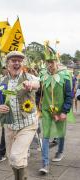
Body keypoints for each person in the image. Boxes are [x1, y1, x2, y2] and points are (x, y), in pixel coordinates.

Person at [0, 51, 40, 180]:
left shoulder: (29, 77)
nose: (17, 63)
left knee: (16, 156)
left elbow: (37, 84)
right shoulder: (1, 81)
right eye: (14, 61)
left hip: (27, 124)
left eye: (19, 60)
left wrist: (30, 85)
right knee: (12, 159)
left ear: (22, 64)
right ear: (8, 64)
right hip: (9, 125)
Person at [39, 45, 74, 174]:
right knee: (46, 135)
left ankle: (60, 151)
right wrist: (38, 106)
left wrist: (64, 111)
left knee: (60, 132)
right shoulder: (43, 76)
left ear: (57, 62)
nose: (50, 65)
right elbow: (39, 93)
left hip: (60, 111)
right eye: (47, 62)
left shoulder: (65, 76)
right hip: (47, 111)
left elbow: (69, 95)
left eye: (52, 62)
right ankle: (45, 163)